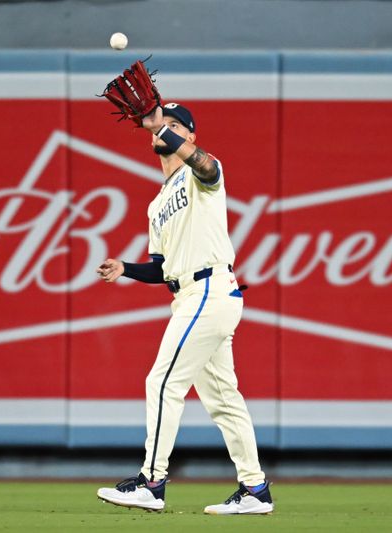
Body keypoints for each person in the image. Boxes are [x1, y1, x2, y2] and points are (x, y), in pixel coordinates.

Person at [94, 102, 273, 515]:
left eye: (176, 127)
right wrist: (126, 269)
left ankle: (151, 482)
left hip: (209, 290)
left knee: (162, 382)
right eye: (162, 125)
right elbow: (161, 268)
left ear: (189, 137)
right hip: (193, 295)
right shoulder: (157, 205)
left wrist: (160, 126)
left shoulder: (201, 174)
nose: (166, 131)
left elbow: (207, 167)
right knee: (224, 400)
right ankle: (255, 490)